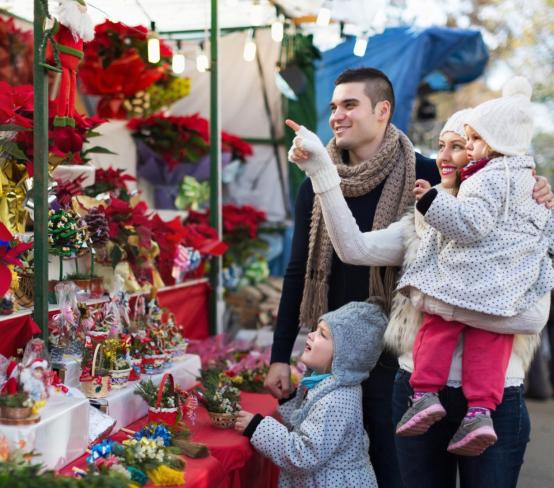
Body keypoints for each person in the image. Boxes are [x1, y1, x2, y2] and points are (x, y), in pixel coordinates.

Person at [286, 103, 552, 485]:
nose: (443, 156)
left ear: (490, 152)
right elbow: (354, 249)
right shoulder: (425, 218)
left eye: (460, 144)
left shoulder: (524, 222)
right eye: (442, 145)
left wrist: (431, 300)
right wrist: (321, 172)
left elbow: (530, 317)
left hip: (496, 402)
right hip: (417, 394)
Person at [267, 67, 441, 487]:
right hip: (335, 357)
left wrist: (537, 186)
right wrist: (278, 354)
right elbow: (298, 270)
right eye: (333, 107)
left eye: (349, 105)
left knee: (394, 467)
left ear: (382, 110)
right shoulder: (316, 178)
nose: (336, 116)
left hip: (396, 354)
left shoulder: (427, 174)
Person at [395, 77, 554, 455]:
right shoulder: (521, 182)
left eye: (468, 142)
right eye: (444, 146)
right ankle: (480, 412)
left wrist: (432, 203)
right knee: (491, 341)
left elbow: (471, 223)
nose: (456, 152)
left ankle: (425, 393)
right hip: (506, 295)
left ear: (494, 146)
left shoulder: (486, 182)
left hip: (478, 294)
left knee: (439, 324)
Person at [236, 301, 387, 488]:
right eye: (316, 329)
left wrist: (257, 427)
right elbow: (313, 423)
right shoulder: (329, 384)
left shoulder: (337, 400)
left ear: (345, 355)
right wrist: (290, 400)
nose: (311, 335)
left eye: (323, 334)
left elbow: (304, 455)